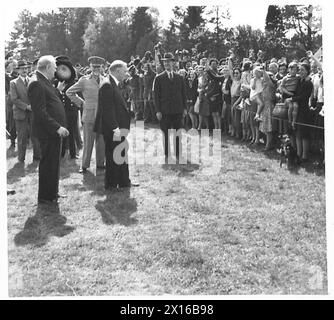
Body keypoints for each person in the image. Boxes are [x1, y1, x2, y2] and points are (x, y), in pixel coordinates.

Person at [27, 55, 69, 205]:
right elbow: (40, 112)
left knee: (53, 163)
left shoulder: (43, 80)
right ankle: (46, 196)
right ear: (47, 67)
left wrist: (57, 91)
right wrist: (57, 127)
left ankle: (52, 192)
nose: (56, 71)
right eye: (54, 68)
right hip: (48, 131)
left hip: (51, 131)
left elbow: (49, 99)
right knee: (48, 164)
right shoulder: (37, 83)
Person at [94, 60, 139, 190]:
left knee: (120, 155)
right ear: (117, 70)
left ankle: (123, 181)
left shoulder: (113, 83)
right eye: (125, 71)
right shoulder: (108, 84)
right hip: (114, 129)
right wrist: (115, 128)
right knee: (114, 156)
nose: (126, 74)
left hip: (117, 127)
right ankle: (112, 184)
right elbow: (107, 109)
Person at [66, 56, 106, 173]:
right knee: (88, 141)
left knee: (101, 141)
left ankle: (100, 163)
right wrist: (82, 103)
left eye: (98, 67)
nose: (96, 69)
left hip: (102, 114)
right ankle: (84, 165)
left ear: (102, 67)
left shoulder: (105, 79)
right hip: (89, 114)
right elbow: (69, 92)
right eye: (94, 66)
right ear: (90, 67)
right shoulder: (84, 80)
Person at [153, 52, 187, 163]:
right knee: (166, 134)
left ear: (173, 63)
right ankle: (167, 155)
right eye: (165, 62)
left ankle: (178, 154)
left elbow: (183, 94)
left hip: (177, 110)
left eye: (169, 61)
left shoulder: (180, 77)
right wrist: (158, 110)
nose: (167, 64)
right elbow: (156, 96)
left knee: (178, 134)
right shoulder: (158, 78)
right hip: (164, 111)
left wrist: (185, 108)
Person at [10, 59, 41, 163]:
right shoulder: (13, 83)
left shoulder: (33, 80)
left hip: (33, 113)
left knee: (35, 135)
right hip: (21, 113)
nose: (24, 70)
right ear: (18, 70)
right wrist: (26, 106)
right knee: (22, 137)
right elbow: (14, 99)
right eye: (22, 69)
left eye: (26, 68)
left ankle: (37, 156)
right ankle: (21, 158)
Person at [285, 63, 313, 163]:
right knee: (296, 133)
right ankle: (298, 154)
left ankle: (304, 156)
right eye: (299, 70)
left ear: (307, 71)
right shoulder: (300, 81)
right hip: (296, 109)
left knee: (303, 134)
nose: (300, 72)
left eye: (302, 70)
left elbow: (304, 97)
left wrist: (292, 98)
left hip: (303, 110)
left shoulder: (308, 83)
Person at [55, 56, 79, 159]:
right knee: (62, 132)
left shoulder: (73, 82)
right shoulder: (56, 82)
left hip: (71, 111)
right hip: (61, 111)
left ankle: (73, 154)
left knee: (72, 132)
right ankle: (62, 153)